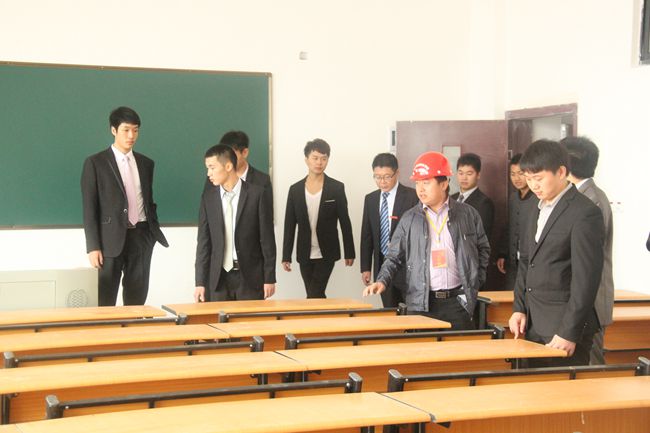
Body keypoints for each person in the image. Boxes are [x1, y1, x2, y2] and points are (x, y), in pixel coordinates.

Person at [363, 151, 490, 329]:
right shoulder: (409, 219)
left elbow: (483, 249)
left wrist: (475, 281)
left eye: (426, 182)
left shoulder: (468, 214)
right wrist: (382, 280)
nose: (420, 189)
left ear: (444, 184)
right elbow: (393, 257)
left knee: (459, 346)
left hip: (458, 303)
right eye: (417, 183)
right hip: (421, 303)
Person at [508, 139, 605, 367]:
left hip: (563, 329)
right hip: (533, 323)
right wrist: (519, 308)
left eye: (538, 178)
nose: (533, 185)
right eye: (528, 178)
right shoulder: (535, 207)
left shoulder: (585, 212)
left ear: (561, 172)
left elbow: (586, 280)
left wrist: (569, 332)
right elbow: (526, 261)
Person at [81, 106, 168, 306]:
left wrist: (150, 233)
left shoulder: (146, 163)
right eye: (126, 130)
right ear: (113, 130)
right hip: (109, 240)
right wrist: (93, 246)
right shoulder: (95, 163)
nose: (131, 136)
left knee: (137, 299)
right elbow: (89, 208)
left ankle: (133, 327)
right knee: (105, 300)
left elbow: (147, 200)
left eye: (135, 130)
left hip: (141, 237)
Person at [194, 144, 276, 302]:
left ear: (228, 166)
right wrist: (200, 282)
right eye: (207, 168)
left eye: (212, 168)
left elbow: (267, 240)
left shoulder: (257, 194)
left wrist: (269, 277)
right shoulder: (208, 198)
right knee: (218, 318)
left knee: (249, 319)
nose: (208, 173)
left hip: (250, 277)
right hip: (218, 278)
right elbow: (203, 242)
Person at [562, 136, 614, 365]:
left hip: (591, 300)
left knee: (592, 366)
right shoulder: (583, 195)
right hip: (583, 298)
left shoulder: (591, 200)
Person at [282, 139, 355, 298]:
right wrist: (286, 255)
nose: (319, 162)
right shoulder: (295, 190)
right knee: (314, 295)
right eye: (315, 158)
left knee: (314, 294)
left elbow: (345, 222)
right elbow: (289, 225)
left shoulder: (336, 187)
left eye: (324, 158)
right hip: (304, 252)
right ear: (306, 159)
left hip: (327, 251)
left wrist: (349, 252)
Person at [360, 153, 419, 307]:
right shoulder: (371, 199)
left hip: (407, 265)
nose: (382, 181)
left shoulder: (412, 196)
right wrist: (366, 267)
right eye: (377, 177)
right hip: (382, 264)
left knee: (410, 310)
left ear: (397, 173)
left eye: (387, 176)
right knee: (389, 310)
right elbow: (367, 235)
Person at [496, 154, 537, 291]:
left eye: (520, 173)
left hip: (532, 262)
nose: (516, 178)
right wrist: (502, 253)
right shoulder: (513, 198)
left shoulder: (538, 198)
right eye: (512, 174)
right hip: (513, 263)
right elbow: (509, 227)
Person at [210, 130, 273, 215]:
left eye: (232, 155)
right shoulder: (214, 178)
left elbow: (266, 217)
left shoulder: (262, 181)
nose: (227, 160)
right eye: (224, 156)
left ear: (245, 153)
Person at [451, 153, 495, 238]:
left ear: (478, 175)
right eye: (461, 173)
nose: (464, 178)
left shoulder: (484, 203)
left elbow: (481, 236)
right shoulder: (451, 198)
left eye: (469, 174)